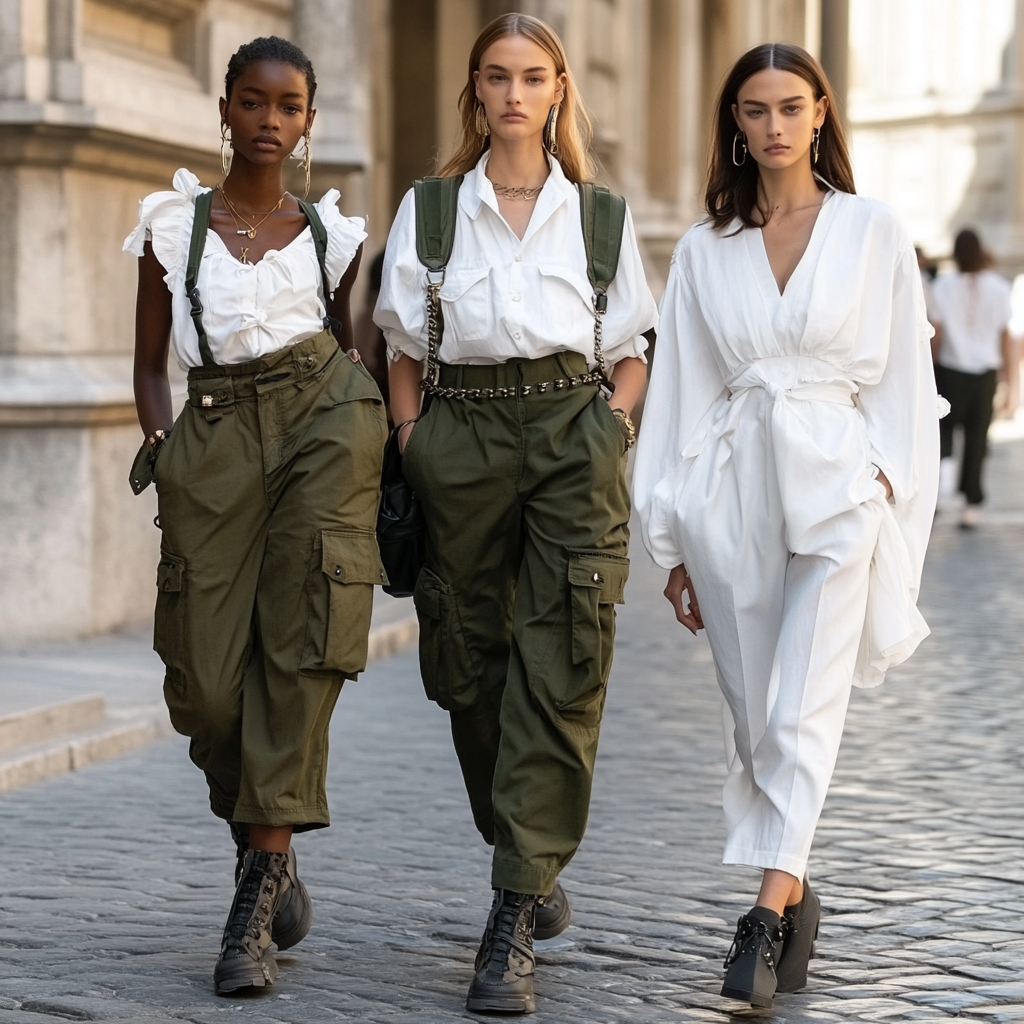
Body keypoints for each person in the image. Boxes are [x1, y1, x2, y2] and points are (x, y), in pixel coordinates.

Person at [632, 43, 941, 1009]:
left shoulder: (872, 230)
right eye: (755, 109)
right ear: (737, 122)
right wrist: (672, 540)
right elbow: (678, 394)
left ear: (820, 115)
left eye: (791, 107)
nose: (774, 125)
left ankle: (762, 918)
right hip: (730, 490)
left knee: (805, 698)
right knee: (755, 710)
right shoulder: (701, 247)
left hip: (839, 491)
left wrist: (882, 482)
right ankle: (797, 889)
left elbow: (905, 381)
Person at [374, 13, 656, 1016]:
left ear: (557, 90)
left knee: (565, 657)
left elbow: (632, 342)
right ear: (475, 91)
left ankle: (509, 913)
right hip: (462, 432)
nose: (512, 94)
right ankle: (527, 850)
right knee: (468, 662)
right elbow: (402, 341)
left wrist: (615, 422)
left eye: (531, 77)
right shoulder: (433, 209)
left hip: (571, 434)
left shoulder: (600, 216)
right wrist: (411, 437)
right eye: (495, 76)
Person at [125, 36, 385, 995]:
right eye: (252, 102)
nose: (269, 121)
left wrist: (372, 438)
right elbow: (151, 364)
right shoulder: (171, 227)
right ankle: (261, 834)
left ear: (309, 121)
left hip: (324, 423)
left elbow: (353, 350)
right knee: (200, 679)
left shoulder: (331, 236)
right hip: (215, 434)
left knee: (300, 650)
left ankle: (253, 903)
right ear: (225, 110)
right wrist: (166, 449)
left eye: (288, 106)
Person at [930, 228, 1014, 527]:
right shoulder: (1000, 288)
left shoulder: (943, 287)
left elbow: (935, 335)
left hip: (951, 370)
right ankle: (970, 504)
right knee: (977, 439)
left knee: (941, 436)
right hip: (984, 374)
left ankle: (937, 493)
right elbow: (1006, 339)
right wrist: (1010, 380)